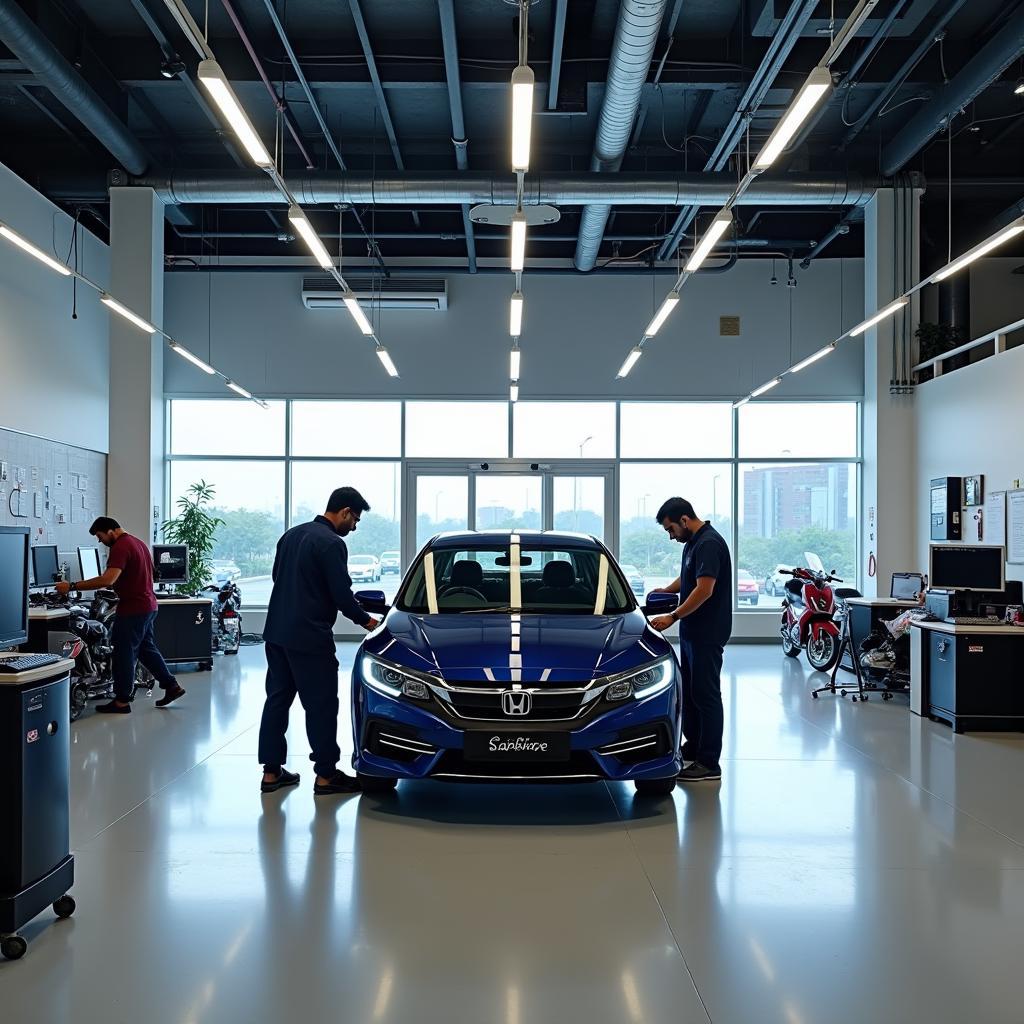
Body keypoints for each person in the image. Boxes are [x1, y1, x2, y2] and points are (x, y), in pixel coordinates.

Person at [258, 486, 380, 796]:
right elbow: (341, 595)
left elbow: (277, 577)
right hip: (309, 637)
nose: (353, 527)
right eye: (355, 520)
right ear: (345, 512)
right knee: (322, 705)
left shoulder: (291, 535)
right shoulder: (331, 543)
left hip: (276, 634)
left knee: (277, 700)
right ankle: (326, 775)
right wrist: (368, 622)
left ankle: (271, 773)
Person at [55, 516, 186, 714]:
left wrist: (72, 586)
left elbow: (108, 579)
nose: (100, 541)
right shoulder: (138, 543)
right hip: (148, 606)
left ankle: (122, 701)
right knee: (146, 649)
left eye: (100, 537)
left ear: (110, 531)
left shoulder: (121, 547)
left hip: (133, 609)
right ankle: (171, 686)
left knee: (123, 652)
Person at [649, 497, 732, 782]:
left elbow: (704, 589)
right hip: (694, 632)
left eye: (671, 529)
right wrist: (668, 589)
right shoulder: (693, 543)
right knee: (694, 694)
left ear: (684, 520)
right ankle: (693, 749)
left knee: (707, 696)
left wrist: (673, 616)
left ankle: (709, 763)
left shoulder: (709, 543)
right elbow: (689, 579)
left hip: (707, 631)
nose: (671, 536)